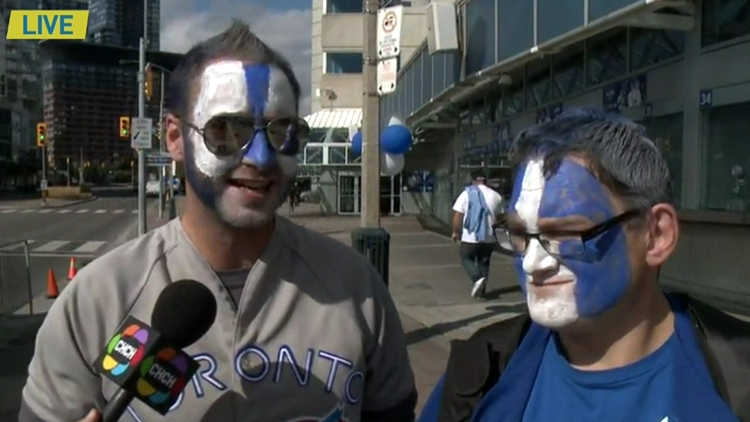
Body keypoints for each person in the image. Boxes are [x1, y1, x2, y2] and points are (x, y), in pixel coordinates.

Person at [20, 21, 416, 422]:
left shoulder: (356, 287)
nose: (261, 158)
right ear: (174, 137)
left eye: (282, 132)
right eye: (225, 131)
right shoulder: (96, 301)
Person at [418, 108, 750, 422]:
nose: (534, 263)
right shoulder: (481, 372)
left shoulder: (737, 377)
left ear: (657, 234)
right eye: (519, 234)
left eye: (566, 233)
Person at [451, 169, 504, 298]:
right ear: (485, 180)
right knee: (484, 262)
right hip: (489, 237)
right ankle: (481, 292)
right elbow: (501, 218)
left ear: (473, 179)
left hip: (470, 236)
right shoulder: (496, 196)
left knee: (466, 258)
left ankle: (477, 278)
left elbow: (458, 214)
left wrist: (455, 232)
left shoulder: (466, 194)